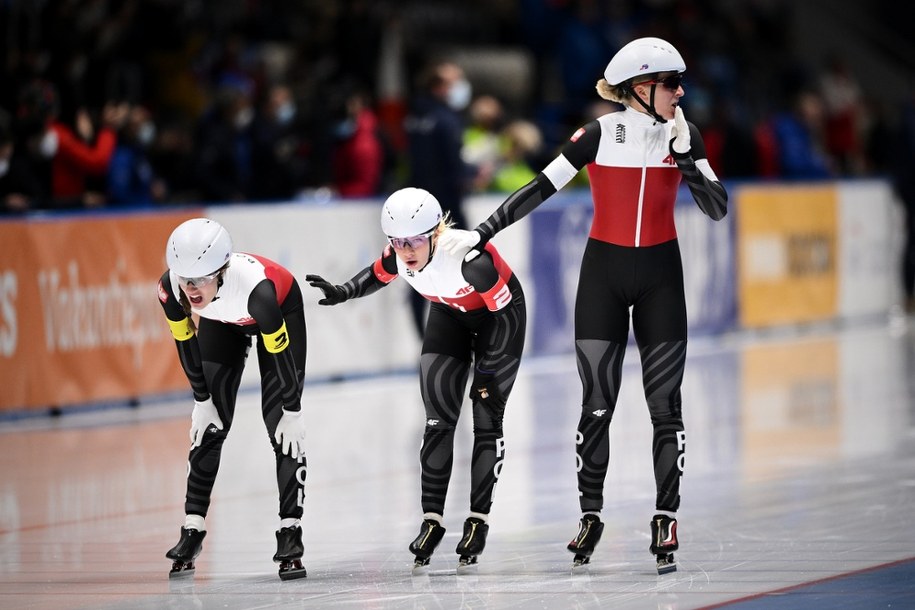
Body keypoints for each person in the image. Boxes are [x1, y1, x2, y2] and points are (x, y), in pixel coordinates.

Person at [438, 37, 728, 574]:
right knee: (597, 404)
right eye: (672, 85)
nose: (681, 93)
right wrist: (482, 233)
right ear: (642, 90)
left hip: (662, 277)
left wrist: (687, 157)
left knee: (666, 406)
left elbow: (716, 208)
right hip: (603, 279)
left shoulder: (686, 134)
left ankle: (666, 515)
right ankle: (590, 515)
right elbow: (540, 187)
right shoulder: (598, 134)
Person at [305, 187, 526, 569]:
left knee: (485, 417)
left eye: (414, 241)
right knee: (437, 423)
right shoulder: (399, 254)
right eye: (397, 241)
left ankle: (478, 520)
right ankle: (432, 521)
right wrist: (343, 292)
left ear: (436, 233)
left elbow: (507, 318)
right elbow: (377, 274)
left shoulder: (471, 262)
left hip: (497, 323)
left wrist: (488, 372)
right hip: (448, 316)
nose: (406, 250)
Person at [157, 218, 308, 580]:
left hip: (279, 311)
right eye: (184, 278)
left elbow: (283, 359)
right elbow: (186, 344)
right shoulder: (169, 289)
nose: (191, 289)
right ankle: (192, 529)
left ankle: (291, 532)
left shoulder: (261, 294)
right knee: (209, 427)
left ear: (222, 269)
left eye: (201, 278)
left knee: (281, 431)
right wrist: (202, 400)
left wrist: (293, 410)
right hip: (223, 323)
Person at [403, 60, 479, 336]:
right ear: (440, 87)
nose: (461, 87)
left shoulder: (414, 117)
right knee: (462, 270)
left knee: (416, 271)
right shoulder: (446, 120)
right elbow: (453, 168)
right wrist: (473, 172)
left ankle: (425, 340)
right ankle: (462, 338)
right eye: (455, 81)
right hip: (447, 209)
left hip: (416, 209)